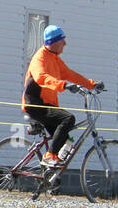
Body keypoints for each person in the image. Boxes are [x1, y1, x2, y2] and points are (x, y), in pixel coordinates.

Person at [24, 24, 103, 167]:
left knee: (66, 143)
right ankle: (49, 157)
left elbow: (69, 74)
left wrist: (91, 84)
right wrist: (63, 85)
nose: (65, 44)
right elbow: (42, 78)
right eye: (62, 41)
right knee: (68, 118)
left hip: (48, 104)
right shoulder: (39, 59)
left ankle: (50, 178)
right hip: (36, 105)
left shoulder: (54, 58)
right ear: (53, 42)